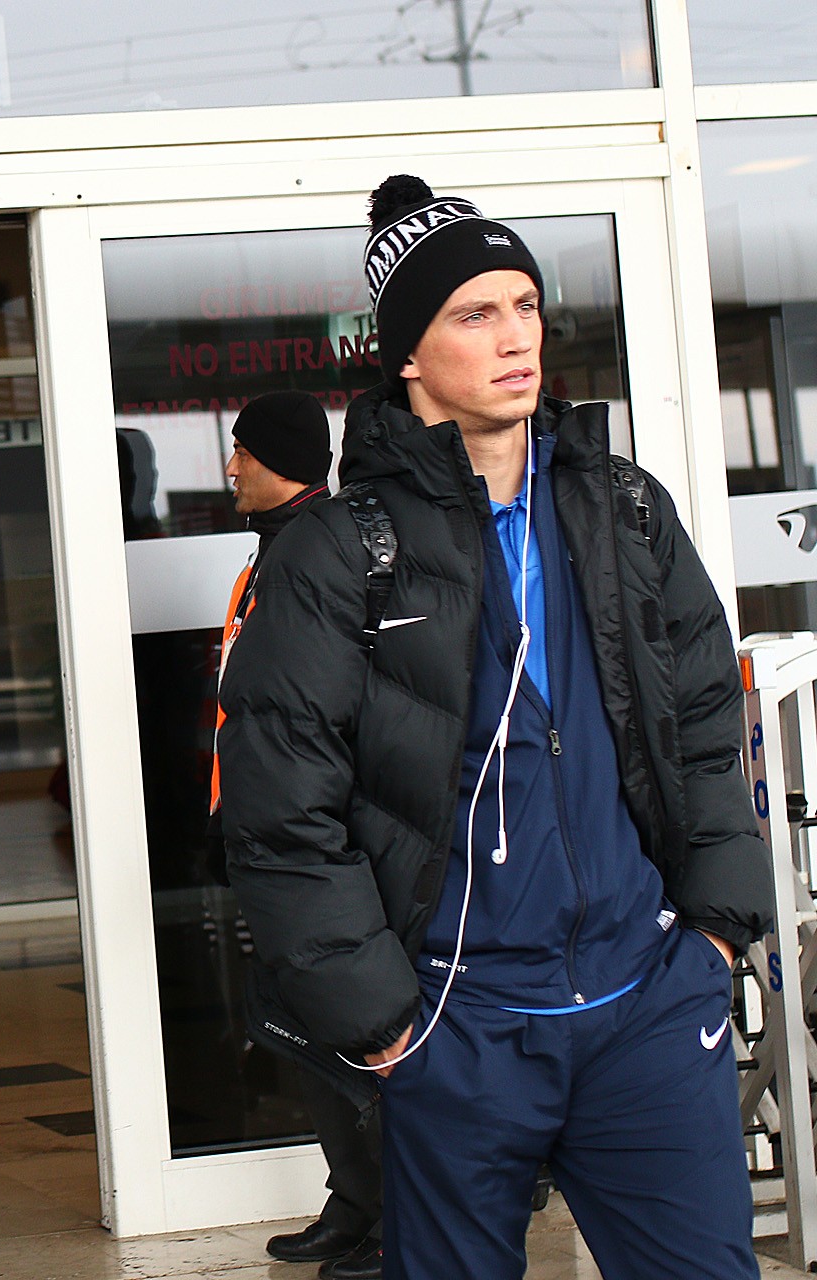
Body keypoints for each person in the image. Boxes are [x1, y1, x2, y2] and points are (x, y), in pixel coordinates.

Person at [218, 174, 773, 1279]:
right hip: (457, 1028)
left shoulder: (626, 508)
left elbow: (711, 720)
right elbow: (282, 809)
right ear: (408, 358)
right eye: (475, 313)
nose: (516, 336)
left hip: (647, 1010)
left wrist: (713, 932)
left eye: (525, 305)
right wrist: (386, 1023)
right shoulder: (339, 550)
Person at [208, 394, 384, 1280]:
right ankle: (355, 1204)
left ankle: (391, 1212)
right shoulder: (271, 553)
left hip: (314, 842)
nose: (230, 467)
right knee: (304, 1025)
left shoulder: (319, 552)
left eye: (241, 451)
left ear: (276, 456)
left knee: (342, 1027)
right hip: (271, 833)